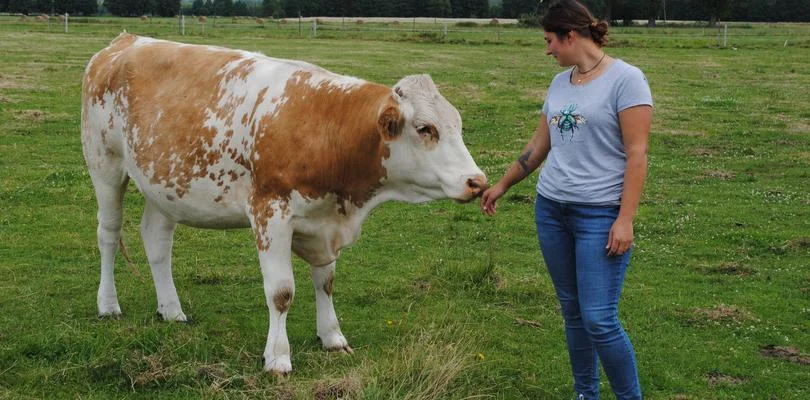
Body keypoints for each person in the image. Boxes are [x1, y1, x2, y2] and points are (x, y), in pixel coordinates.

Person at [480, 1, 653, 399]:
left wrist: (625, 218)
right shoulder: (560, 83)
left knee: (599, 319)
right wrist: (503, 185)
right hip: (552, 210)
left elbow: (637, 154)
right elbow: (539, 147)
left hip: (600, 215)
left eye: (549, 41)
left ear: (570, 36)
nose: (548, 50)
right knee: (573, 313)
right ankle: (585, 394)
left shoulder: (627, 80)